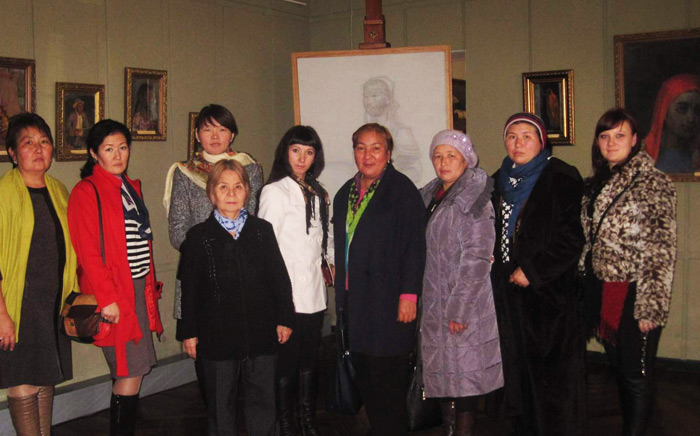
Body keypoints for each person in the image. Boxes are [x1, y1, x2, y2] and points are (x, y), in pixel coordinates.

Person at [177, 160, 295, 436]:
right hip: (216, 337)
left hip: (261, 333)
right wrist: (189, 332)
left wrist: (285, 318)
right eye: (223, 187)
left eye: (238, 187)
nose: (231, 193)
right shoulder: (198, 237)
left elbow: (279, 278)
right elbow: (189, 289)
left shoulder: (262, 231)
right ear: (212, 193)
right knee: (221, 408)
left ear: (247, 192)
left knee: (263, 404)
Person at [581, 108, 676, 436]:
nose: (611, 142)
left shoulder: (652, 182)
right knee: (621, 369)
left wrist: (650, 306)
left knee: (636, 373)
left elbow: (661, 250)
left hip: (635, 290)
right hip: (603, 287)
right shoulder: (597, 182)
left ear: (635, 140)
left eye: (619, 135)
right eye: (604, 136)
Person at [490, 113, 585, 436]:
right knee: (517, 375)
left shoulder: (562, 178)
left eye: (526, 136)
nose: (518, 144)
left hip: (549, 297)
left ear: (542, 141)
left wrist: (533, 270)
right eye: (512, 136)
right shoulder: (497, 181)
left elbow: (572, 238)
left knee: (552, 381)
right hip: (508, 294)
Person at [68, 119, 164, 436]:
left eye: (123, 147)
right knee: (129, 370)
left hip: (136, 287)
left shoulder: (129, 186)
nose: (118, 155)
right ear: (94, 153)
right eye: (109, 149)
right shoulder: (86, 191)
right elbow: (87, 252)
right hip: (114, 291)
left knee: (133, 368)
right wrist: (107, 298)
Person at [163, 103, 264, 404]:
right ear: (197, 134)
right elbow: (178, 230)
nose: (215, 136)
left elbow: (252, 221)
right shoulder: (183, 172)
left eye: (222, 129)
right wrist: (209, 259)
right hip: (199, 280)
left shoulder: (249, 168)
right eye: (208, 129)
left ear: (232, 134)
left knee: (248, 371)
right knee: (210, 375)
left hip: (241, 276)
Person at [333, 123, 427, 436]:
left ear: (388, 153)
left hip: (390, 304)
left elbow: (414, 246)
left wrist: (409, 294)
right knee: (367, 383)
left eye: (376, 148)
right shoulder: (344, 193)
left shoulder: (402, 191)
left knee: (388, 387)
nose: (368, 155)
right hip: (356, 304)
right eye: (361, 147)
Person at [420, 129, 503, 436]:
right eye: (438, 156)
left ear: (466, 159)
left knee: (465, 379)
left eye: (451, 156)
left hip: (464, 305)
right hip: (435, 303)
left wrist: (459, 308)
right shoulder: (430, 195)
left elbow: (477, 258)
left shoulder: (475, 198)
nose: (443, 162)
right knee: (445, 377)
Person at [0, 113, 77, 435]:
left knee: (46, 379)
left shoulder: (58, 190)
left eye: (44, 141)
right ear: (13, 153)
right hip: (17, 306)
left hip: (52, 304)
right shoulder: (3, 193)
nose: (38, 149)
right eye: (28, 142)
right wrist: (2, 315)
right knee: (22, 380)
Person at [258, 126, 333, 436]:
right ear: (285, 152)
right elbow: (265, 246)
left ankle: (307, 421)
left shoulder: (318, 191)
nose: (302, 158)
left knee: (309, 363)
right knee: (286, 365)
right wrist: (275, 298)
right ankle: (286, 425)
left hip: (314, 293)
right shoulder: (275, 191)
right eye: (296, 150)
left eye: (309, 152)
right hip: (286, 294)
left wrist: (332, 263)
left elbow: (324, 238)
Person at [362, 77, 422, 182]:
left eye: (374, 96)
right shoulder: (363, 133)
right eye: (366, 97)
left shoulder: (401, 132)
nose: (369, 101)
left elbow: (412, 168)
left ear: (388, 99)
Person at [644, 74, 700, 174]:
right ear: (664, 112)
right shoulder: (645, 157)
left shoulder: (696, 158)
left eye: (697, 111)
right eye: (682, 109)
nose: (691, 118)